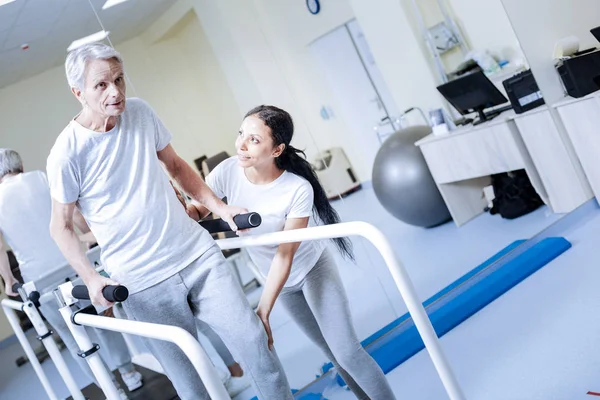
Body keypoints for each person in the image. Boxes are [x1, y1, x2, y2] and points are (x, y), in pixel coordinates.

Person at [46, 43, 292, 400]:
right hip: (141, 281)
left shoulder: (141, 112)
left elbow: (175, 167)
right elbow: (61, 226)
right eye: (101, 85)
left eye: (119, 79)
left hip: (195, 255)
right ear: (78, 92)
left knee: (254, 340)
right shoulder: (67, 152)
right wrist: (91, 277)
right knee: (192, 383)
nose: (115, 91)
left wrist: (220, 209)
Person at [185, 105, 397, 399]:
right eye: (241, 134)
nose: (241, 145)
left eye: (254, 140)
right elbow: (199, 208)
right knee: (330, 353)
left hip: (310, 269)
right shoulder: (227, 172)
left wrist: (264, 309)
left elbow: (286, 254)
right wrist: (187, 210)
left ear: (277, 149)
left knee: (347, 351)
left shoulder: (296, 189)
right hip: (279, 281)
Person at [0, 149, 143, 397]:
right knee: (103, 319)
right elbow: (73, 213)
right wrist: (90, 238)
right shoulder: (41, 178)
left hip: (40, 282)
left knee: (71, 335)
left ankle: (112, 389)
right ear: (20, 165)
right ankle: (129, 373)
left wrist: (8, 280)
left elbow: (0, 248)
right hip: (74, 265)